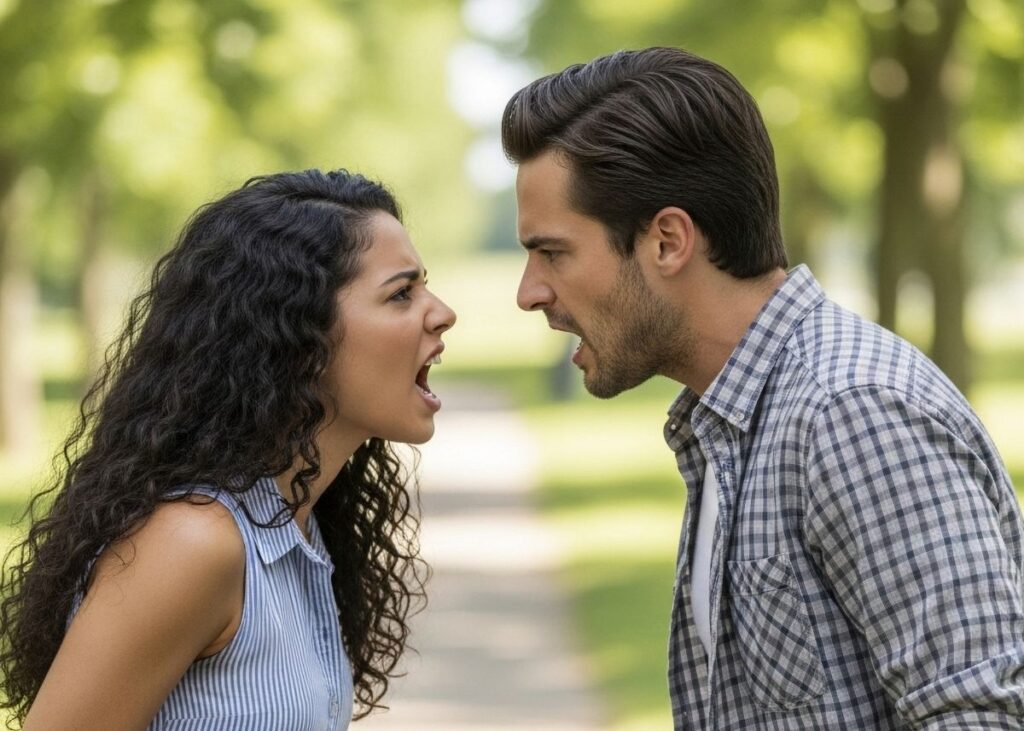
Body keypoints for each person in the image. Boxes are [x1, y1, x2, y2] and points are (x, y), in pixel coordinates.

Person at [503, 47, 1024, 729]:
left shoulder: (850, 410)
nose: (529, 292)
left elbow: (979, 716)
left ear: (667, 241)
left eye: (553, 252)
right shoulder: (732, 421)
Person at [0, 169, 456, 730]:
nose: (441, 312)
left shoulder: (299, 530)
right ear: (298, 336)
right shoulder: (191, 544)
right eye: (401, 293)